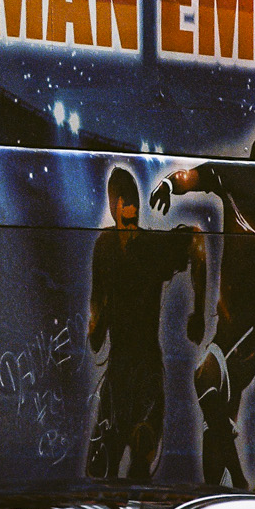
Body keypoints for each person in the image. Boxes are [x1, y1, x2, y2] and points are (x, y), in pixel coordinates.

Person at [157, 130, 255, 494]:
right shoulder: (234, 182)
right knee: (216, 427)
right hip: (226, 331)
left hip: (246, 338)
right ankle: (214, 495)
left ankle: (237, 481)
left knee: (203, 380)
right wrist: (170, 185)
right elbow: (198, 176)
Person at [84, 165, 204, 484]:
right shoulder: (107, 246)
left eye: (130, 203)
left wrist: (200, 311)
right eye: (123, 203)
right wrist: (96, 326)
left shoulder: (143, 246)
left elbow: (196, 239)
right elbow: (97, 299)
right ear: (116, 205)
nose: (128, 210)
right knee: (102, 467)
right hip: (123, 370)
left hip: (141, 368)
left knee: (134, 462)